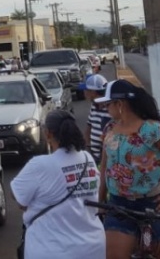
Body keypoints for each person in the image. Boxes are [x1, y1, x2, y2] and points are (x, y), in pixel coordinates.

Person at [96, 80, 160, 259]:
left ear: (120, 104)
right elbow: (105, 167)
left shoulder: (151, 129)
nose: (106, 109)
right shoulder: (110, 129)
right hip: (118, 204)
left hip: (154, 204)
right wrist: (101, 203)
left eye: (108, 104)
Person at [11, 110, 104, 259]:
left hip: (51, 249)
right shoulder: (87, 159)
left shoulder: (39, 165)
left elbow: (19, 198)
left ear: (48, 134)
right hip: (93, 247)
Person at [78, 74, 111, 165]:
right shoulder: (94, 106)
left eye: (86, 90)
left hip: (108, 156)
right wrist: (88, 148)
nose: (84, 93)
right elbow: (89, 127)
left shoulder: (111, 108)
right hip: (94, 156)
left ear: (93, 92)